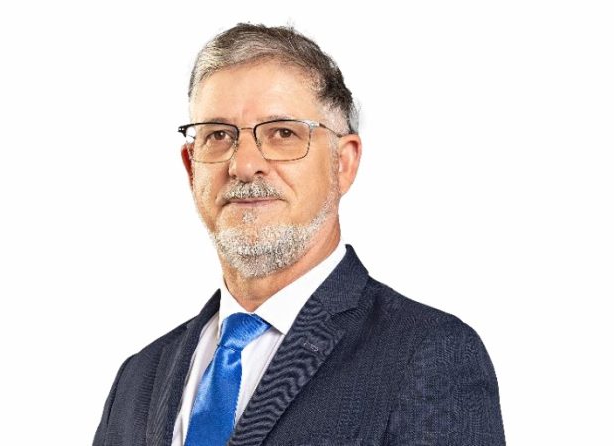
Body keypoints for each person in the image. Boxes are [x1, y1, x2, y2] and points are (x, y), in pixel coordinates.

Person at [92, 23, 505, 446]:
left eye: (283, 133)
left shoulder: (428, 354)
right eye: (218, 135)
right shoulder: (137, 380)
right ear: (191, 166)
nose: (244, 165)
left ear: (343, 163)